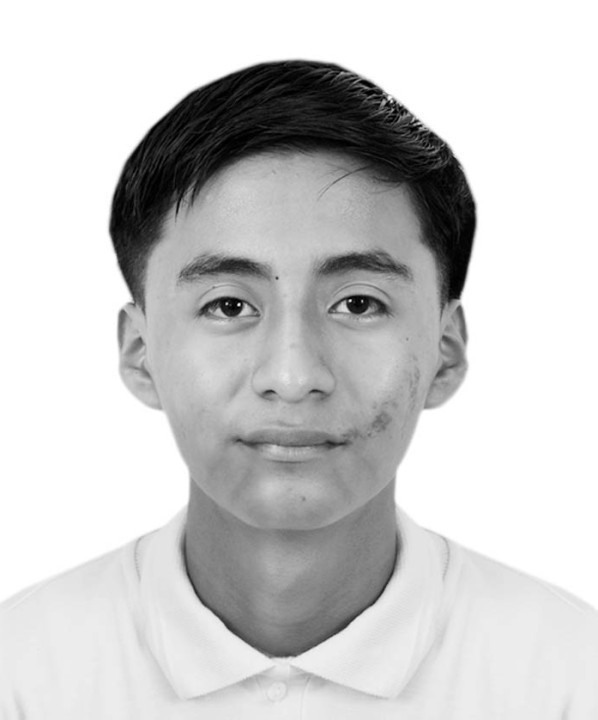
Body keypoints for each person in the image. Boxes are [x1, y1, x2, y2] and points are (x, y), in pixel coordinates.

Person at [1, 59, 596, 719]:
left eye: (359, 303)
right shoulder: (22, 677)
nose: (292, 377)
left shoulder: (570, 678)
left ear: (445, 351)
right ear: (140, 353)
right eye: (229, 306)